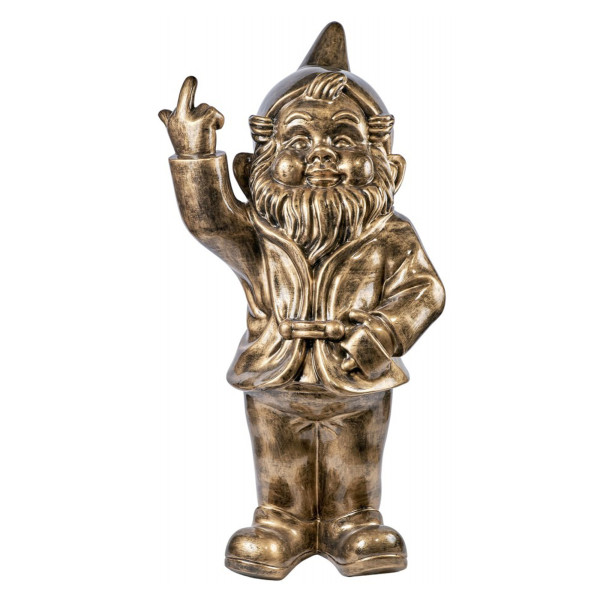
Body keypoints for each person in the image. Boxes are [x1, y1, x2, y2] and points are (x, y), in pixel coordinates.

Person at [159, 22, 445, 579]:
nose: (320, 156)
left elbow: (425, 291)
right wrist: (195, 156)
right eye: (297, 142)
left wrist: (381, 333)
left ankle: (353, 521)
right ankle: (281, 522)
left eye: (344, 141)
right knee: (279, 461)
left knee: (354, 462)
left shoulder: (391, 235)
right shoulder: (256, 235)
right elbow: (208, 221)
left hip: (356, 379)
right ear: (252, 168)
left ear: (389, 166)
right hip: (275, 375)